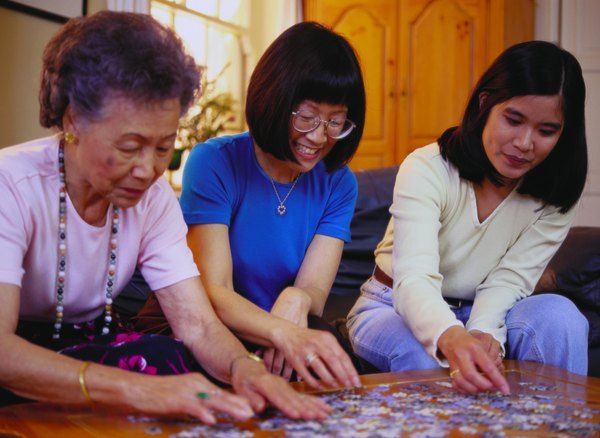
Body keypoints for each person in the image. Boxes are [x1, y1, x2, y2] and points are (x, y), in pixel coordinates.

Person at [0, 11, 332, 422]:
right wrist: (138, 391)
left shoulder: (154, 198)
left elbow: (198, 326)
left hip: (93, 339)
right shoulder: (11, 185)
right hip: (17, 348)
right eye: (130, 146)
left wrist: (245, 369)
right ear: (73, 121)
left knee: (176, 360)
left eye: (163, 148)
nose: (148, 169)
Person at [347, 40, 589, 395]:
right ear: (485, 103)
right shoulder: (427, 168)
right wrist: (452, 336)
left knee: (561, 317)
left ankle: (556, 429)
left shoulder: (555, 196)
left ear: (563, 134)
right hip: (391, 306)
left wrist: (484, 332)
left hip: (489, 309)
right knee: (429, 362)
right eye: (513, 119)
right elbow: (414, 278)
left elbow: (510, 281)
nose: (524, 143)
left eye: (546, 131)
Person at [137, 21, 365, 388]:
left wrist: (295, 299)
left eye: (335, 122)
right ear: (275, 100)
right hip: (205, 322)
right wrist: (279, 333)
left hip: (284, 325)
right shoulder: (215, 161)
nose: (320, 137)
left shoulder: (339, 182)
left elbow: (314, 294)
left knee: (333, 362)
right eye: (307, 117)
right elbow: (214, 291)